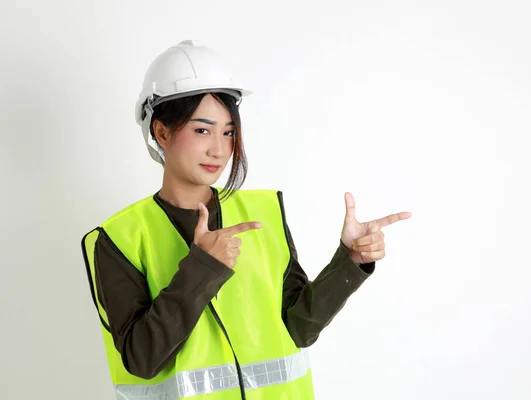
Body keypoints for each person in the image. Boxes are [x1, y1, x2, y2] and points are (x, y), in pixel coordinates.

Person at [81, 40, 412, 400]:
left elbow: (299, 328)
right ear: (162, 132)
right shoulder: (119, 239)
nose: (220, 150)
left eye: (229, 132)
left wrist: (349, 261)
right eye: (202, 130)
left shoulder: (263, 213)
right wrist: (202, 268)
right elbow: (142, 359)